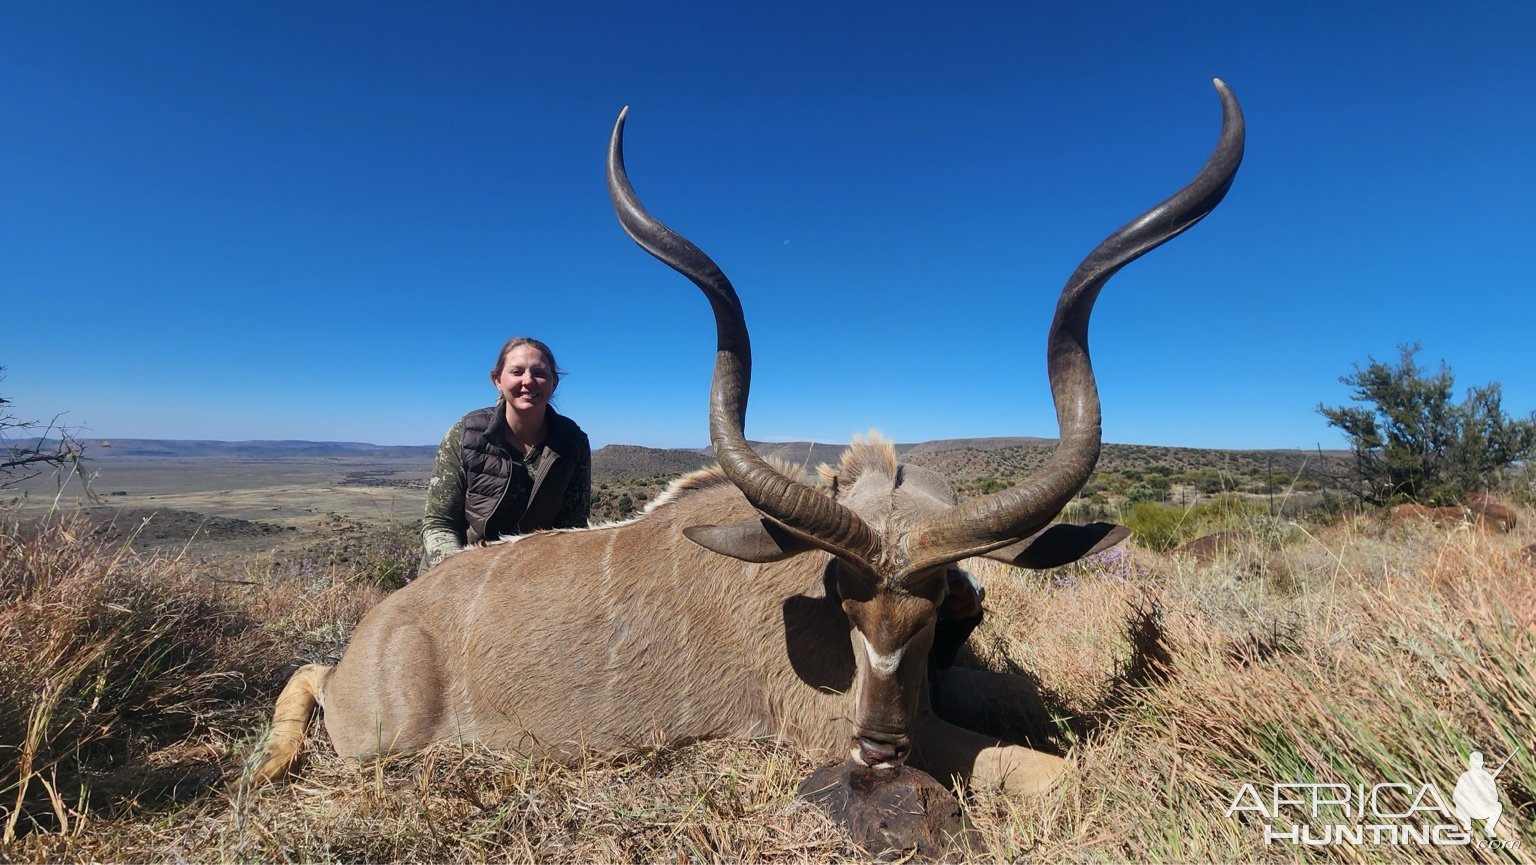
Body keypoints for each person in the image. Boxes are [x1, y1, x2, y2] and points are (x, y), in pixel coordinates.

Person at [419, 337, 591, 574]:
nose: (528, 381)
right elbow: (439, 524)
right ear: (498, 380)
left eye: (539, 373)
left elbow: (573, 529)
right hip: (459, 576)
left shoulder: (574, 442)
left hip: (535, 578)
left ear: (554, 383)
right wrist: (459, 576)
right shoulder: (465, 433)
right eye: (517, 371)